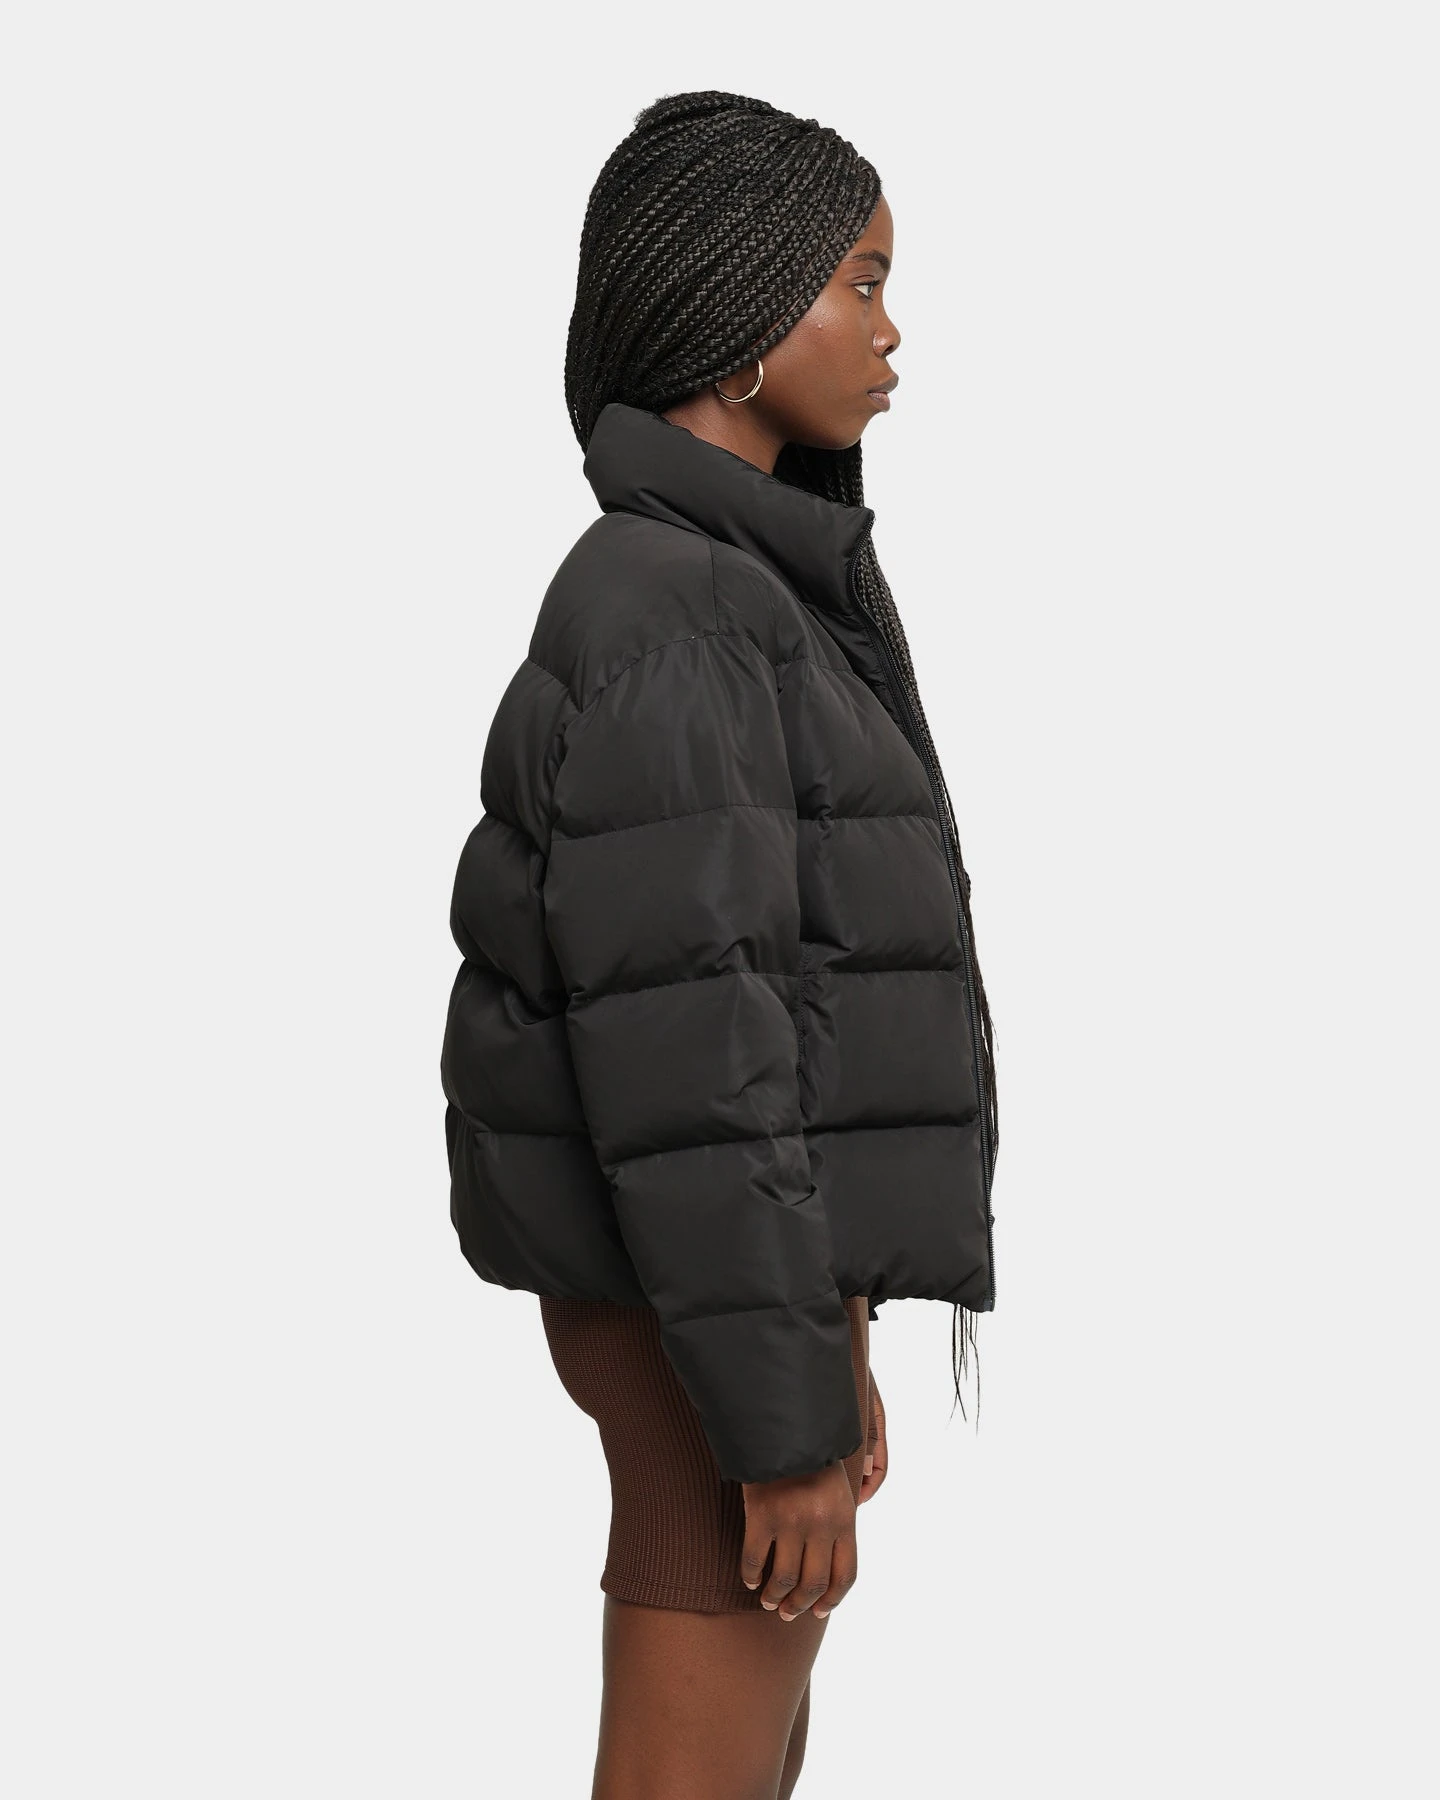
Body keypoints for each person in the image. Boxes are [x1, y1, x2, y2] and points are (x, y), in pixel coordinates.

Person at [440, 90, 999, 1799]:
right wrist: (775, 1406)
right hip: (694, 1300)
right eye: (860, 281)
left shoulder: (729, 588)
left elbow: (775, 1010)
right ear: (742, 314)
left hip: (737, 1293)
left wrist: (830, 1337)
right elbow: (693, 1055)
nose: (891, 331)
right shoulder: (677, 608)